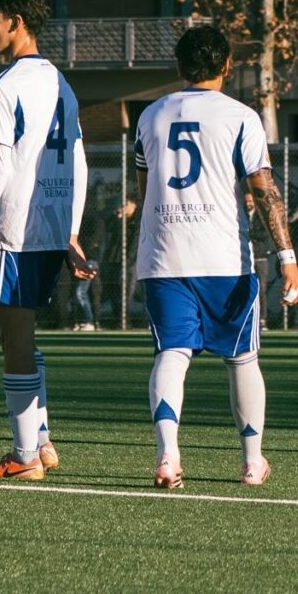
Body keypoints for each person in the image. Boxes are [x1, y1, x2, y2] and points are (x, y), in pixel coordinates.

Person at [130, 24, 294, 488]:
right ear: (226, 66)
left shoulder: (150, 116)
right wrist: (286, 254)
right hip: (223, 256)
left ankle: (168, 456)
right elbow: (264, 190)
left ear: (179, 67)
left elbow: (146, 191)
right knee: (242, 358)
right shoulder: (240, 116)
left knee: (172, 354)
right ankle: (252, 462)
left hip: (164, 255)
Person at [0, 0, 93, 482]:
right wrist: (72, 231)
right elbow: (78, 160)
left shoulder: (7, 84)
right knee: (24, 337)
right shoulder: (61, 82)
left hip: (16, 229)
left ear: (16, 22)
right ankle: (43, 441)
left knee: (14, 340)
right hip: (54, 228)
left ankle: (23, 455)